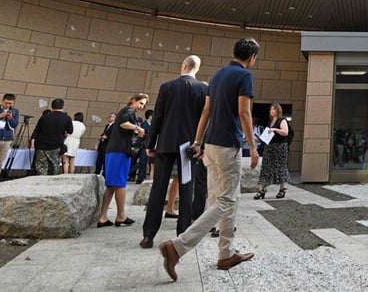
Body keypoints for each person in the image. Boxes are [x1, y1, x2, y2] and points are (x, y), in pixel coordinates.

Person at [159, 38, 260, 281]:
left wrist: (197, 141)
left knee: (222, 199)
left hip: (211, 146)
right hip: (228, 146)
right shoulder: (244, 76)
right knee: (225, 200)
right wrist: (253, 148)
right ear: (252, 57)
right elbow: (244, 112)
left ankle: (225, 254)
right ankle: (178, 246)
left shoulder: (216, 76)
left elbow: (206, 111)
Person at [140, 55, 208, 250]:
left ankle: (148, 235)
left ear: (183, 65)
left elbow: (158, 117)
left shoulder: (167, 87)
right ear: (196, 68)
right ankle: (183, 235)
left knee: (158, 188)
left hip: (166, 145)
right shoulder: (204, 89)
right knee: (187, 189)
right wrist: (200, 145)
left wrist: (150, 143)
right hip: (188, 147)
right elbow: (205, 120)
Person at [96, 94, 148, 227]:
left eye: (144, 104)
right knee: (120, 184)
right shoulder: (128, 110)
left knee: (112, 186)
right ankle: (120, 215)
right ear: (133, 100)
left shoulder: (127, 111)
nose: (142, 106)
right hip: (119, 151)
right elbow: (123, 123)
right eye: (140, 103)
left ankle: (103, 217)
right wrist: (138, 128)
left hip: (115, 150)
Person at [253, 103, 290, 200]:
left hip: (280, 147)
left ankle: (282, 189)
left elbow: (285, 132)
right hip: (269, 147)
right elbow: (265, 136)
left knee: (280, 167)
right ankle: (261, 190)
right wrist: (255, 139)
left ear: (278, 110)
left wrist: (274, 129)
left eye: (274, 109)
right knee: (265, 167)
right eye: (271, 109)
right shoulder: (270, 121)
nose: (272, 111)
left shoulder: (282, 120)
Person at [31, 98, 73, 176]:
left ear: (52, 106)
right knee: (54, 169)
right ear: (62, 106)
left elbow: (37, 130)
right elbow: (70, 130)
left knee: (41, 169)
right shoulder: (66, 118)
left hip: (41, 146)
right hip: (55, 146)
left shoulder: (44, 117)